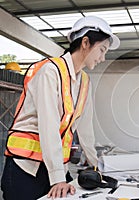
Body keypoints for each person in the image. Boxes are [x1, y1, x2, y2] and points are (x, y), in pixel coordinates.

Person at [1, 16, 120, 199]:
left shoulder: (85, 82)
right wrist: (57, 178)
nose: (103, 58)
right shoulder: (50, 71)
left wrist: (97, 167)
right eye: (102, 50)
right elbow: (49, 125)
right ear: (86, 42)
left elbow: (85, 129)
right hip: (26, 168)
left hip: (57, 166)